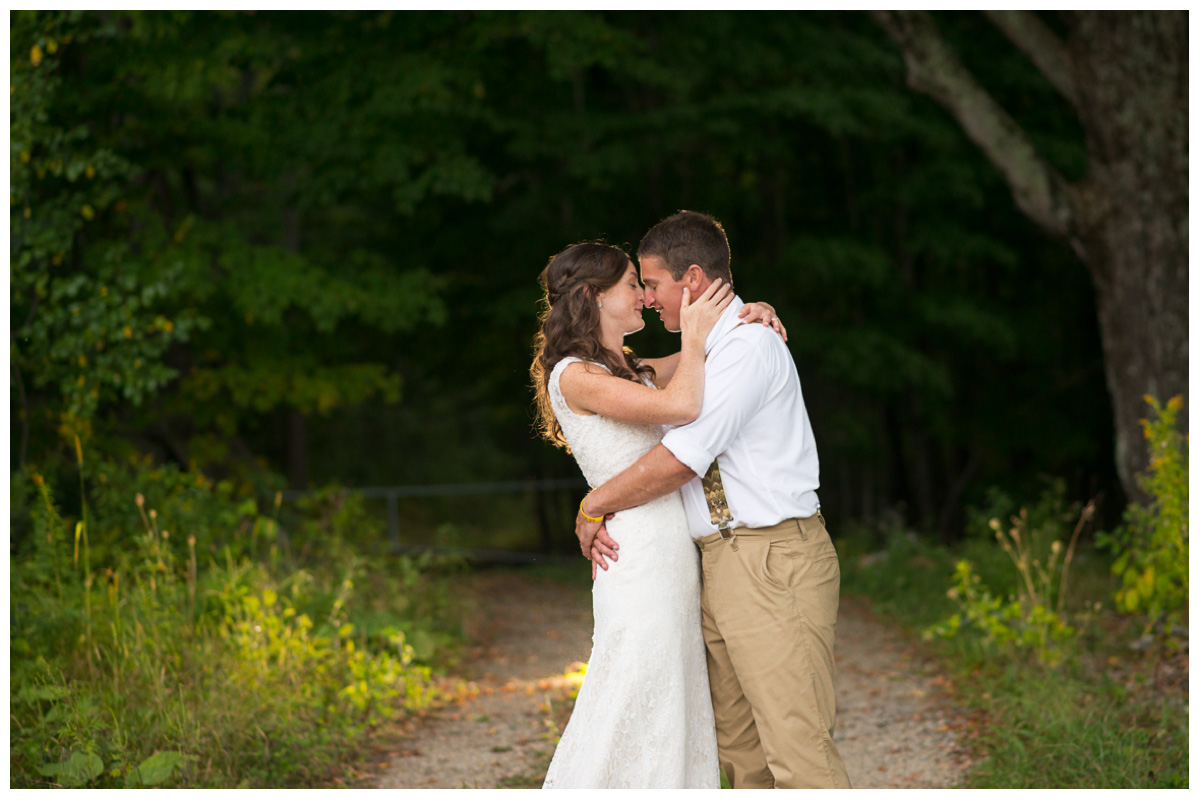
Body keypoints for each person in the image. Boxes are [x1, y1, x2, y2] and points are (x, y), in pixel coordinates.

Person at [576, 211, 852, 789]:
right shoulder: (709, 354)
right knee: (742, 754)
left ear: (692, 280)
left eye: (651, 284)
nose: (648, 300)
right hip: (719, 562)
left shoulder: (748, 348)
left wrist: (593, 503)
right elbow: (634, 379)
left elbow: (682, 459)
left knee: (796, 749)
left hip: (770, 559)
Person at [530, 240, 784, 789]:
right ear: (593, 297)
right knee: (632, 687)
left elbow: (715, 356)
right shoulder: (575, 376)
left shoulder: (626, 366)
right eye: (631, 286)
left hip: (672, 550)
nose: (644, 297)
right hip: (637, 555)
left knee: (674, 692)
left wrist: (750, 313)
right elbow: (682, 405)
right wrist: (693, 338)